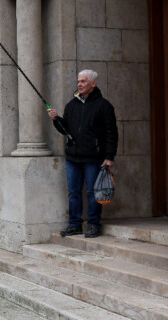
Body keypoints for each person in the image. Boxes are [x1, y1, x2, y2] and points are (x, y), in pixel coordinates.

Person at [48, 69, 118, 239]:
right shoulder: (71, 105)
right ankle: (74, 225)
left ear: (93, 83)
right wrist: (56, 119)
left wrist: (109, 157)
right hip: (73, 157)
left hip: (94, 158)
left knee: (93, 193)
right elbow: (66, 129)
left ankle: (94, 224)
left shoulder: (104, 106)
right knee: (74, 192)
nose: (79, 84)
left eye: (83, 81)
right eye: (78, 81)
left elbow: (112, 133)